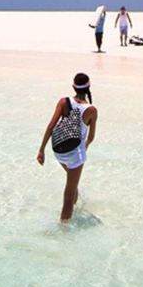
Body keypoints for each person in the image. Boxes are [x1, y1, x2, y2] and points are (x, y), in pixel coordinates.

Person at [37, 73, 98, 222]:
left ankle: (75, 207)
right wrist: (84, 148)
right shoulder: (91, 110)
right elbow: (91, 137)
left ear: (73, 86)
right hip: (75, 153)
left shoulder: (63, 102)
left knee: (73, 184)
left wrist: (41, 150)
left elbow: (51, 126)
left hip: (58, 150)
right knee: (69, 195)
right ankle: (63, 229)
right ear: (89, 87)